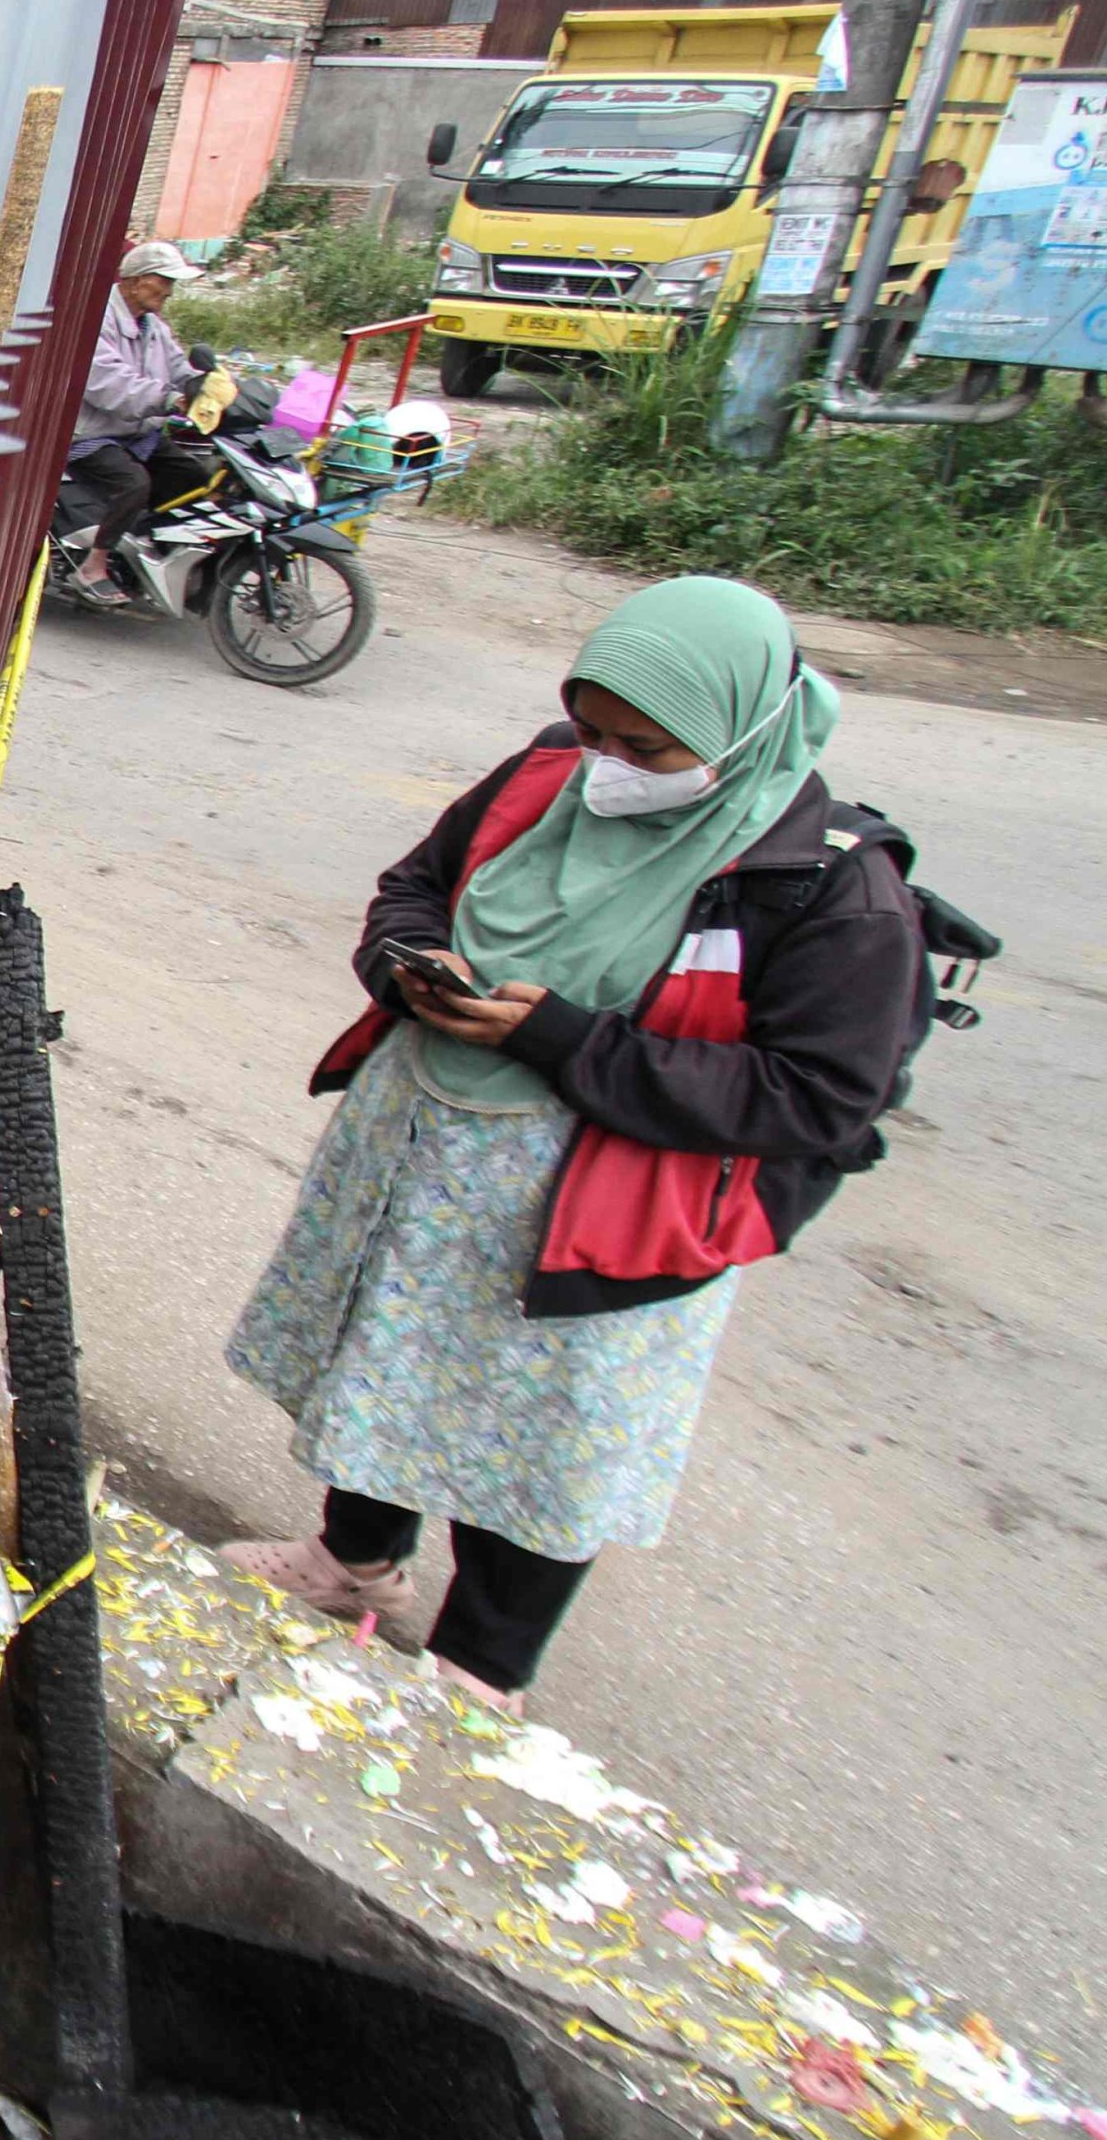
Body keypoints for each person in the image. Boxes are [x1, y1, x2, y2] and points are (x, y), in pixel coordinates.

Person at [215, 576, 922, 1711]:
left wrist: (564, 1041)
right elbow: (416, 887)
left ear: (740, 728)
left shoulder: (827, 889)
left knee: (537, 1441)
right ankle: (352, 1563)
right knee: (380, 1363)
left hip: (596, 1214)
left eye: (644, 746)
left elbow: (819, 1098)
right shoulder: (550, 775)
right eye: (592, 729)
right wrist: (408, 964)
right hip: (426, 1160)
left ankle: (475, 1671)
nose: (609, 765)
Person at [66, 241, 207, 606]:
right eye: (164, 281)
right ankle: (93, 566)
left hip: (135, 432)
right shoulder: (99, 320)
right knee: (133, 484)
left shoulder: (152, 326)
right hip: (91, 434)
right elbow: (109, 385)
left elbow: (178, 366)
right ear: (135, 281)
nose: (170, 290)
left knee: (193, 476)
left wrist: (201, 384)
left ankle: (131, 542)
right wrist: (169, 399)